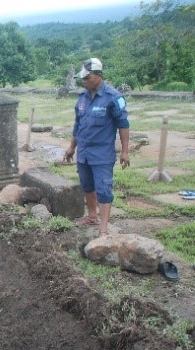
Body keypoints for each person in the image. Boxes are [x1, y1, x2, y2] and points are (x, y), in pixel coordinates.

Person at [63, 58, 130, 237]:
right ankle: (92, 216)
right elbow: (78, 125)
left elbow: (123, 125)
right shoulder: (83, 98)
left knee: (104, 189)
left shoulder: (113, 97)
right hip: (84, 151)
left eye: (87, 77)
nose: (84, 81)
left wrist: (125, 151)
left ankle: (103, 228)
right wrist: (71, 147)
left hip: (102, 154)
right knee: (87, 185)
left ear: (98, 76)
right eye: (82, 78)